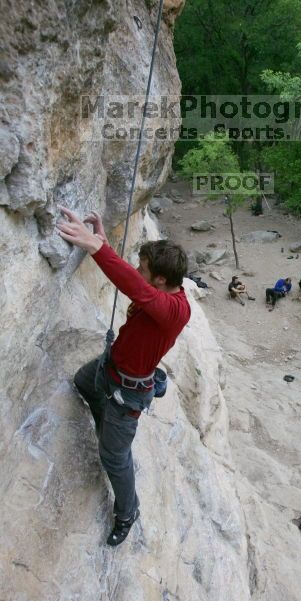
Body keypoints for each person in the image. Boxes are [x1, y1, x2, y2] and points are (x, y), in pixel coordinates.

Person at [57, 207, 191, 546]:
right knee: (82, 383)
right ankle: (106, 424)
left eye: (144, 269)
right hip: (109, 368)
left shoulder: (174, 310)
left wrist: (95, 248)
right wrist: (102, 243)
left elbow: (137, 289)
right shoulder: (161, 291)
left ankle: (127, 511)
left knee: (113, 457)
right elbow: (134, 280)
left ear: (161, 280)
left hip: (127, 392)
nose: (138, 271)